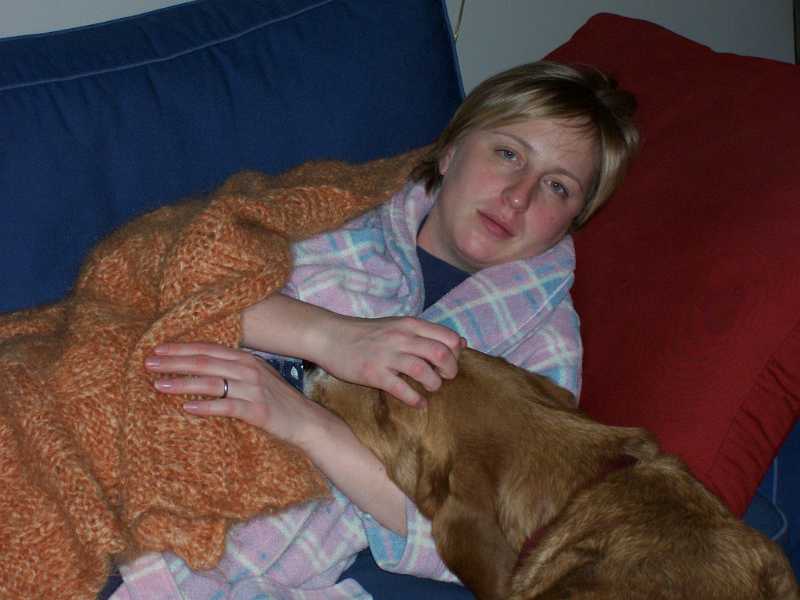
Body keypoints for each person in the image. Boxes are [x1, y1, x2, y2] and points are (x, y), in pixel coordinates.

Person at [119, 60, 639, 599]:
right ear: (450, 151)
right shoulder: (332, 206)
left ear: (574, 221)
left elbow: (504, 550)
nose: (518, 196)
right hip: (141, 461)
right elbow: (155, 278)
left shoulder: (543, 352)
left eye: (557, 187)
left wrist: (310, 427)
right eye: (508, 154)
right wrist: (330, 337)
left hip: (248, 569)